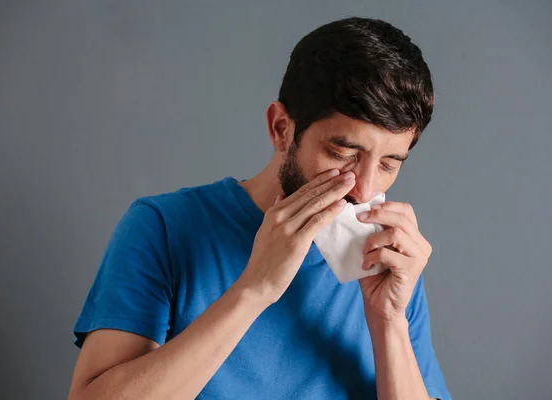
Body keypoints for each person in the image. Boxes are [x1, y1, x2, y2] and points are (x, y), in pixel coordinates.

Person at [67, 16, 451, 400]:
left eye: (388, 164)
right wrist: (255, 290)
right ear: (282, 129)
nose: (365, 189)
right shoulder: (164, 228)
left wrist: (389, 322)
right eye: (343, 153)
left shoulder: (389, 261)